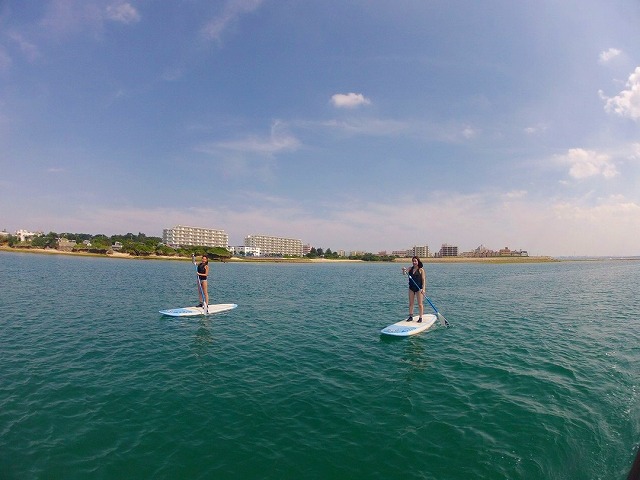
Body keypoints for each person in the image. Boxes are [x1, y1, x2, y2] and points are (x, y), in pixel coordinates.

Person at [402, 256, 426, 322]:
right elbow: (404, 274)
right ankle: (410, 316)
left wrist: (423, 289)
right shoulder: (410, 268)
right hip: (411, 288)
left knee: (420, 304)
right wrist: (403, 270)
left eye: (415, 261)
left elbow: (423, 280)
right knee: (411, 303)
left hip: (419, 289)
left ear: (418, 262)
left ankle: (420, 317)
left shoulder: (421, 270)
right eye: (413, 261)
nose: (414, 262)